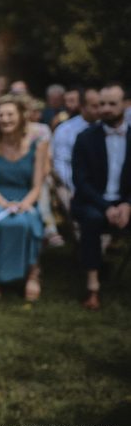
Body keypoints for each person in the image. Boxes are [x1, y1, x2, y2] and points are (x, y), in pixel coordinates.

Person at [0, 96, 46, 301]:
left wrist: (26, 203)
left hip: (26, 197)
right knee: (2, 222)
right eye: (0, 115)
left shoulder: (38, 146)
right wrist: (4, 204)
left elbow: (37, 185)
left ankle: (32, 275)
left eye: (9, 114)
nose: (4, 119)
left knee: (26, 222)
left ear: (21, 117)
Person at [71, 83, 130, 311]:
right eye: (102, 104)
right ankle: (93, 287)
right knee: (92, 219)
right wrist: (106, 206)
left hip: (124, 202)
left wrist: (127, 204)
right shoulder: (85, 138)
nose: (105, 109)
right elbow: (81, 181)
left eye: (112, 104)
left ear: (124, 105)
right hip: (92, 201)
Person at [51, 87, 100, 211]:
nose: (101, 109)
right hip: (75, 189)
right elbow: (61, 163)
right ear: (82, 106)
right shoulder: (65, 130)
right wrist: (74, 188)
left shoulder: (112, 130)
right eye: (95, 106)